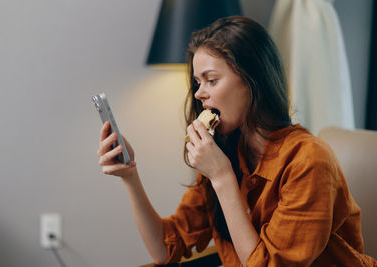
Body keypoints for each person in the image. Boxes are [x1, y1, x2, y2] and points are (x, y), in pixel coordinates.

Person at [96, 16, 377, 266]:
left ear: (252, 79)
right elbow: (164, 249)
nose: (198, 94)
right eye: (197, 82)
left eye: (211, 80)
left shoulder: (308, 160)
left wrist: (222, 177)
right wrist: (130, 176)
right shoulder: (226, 147)